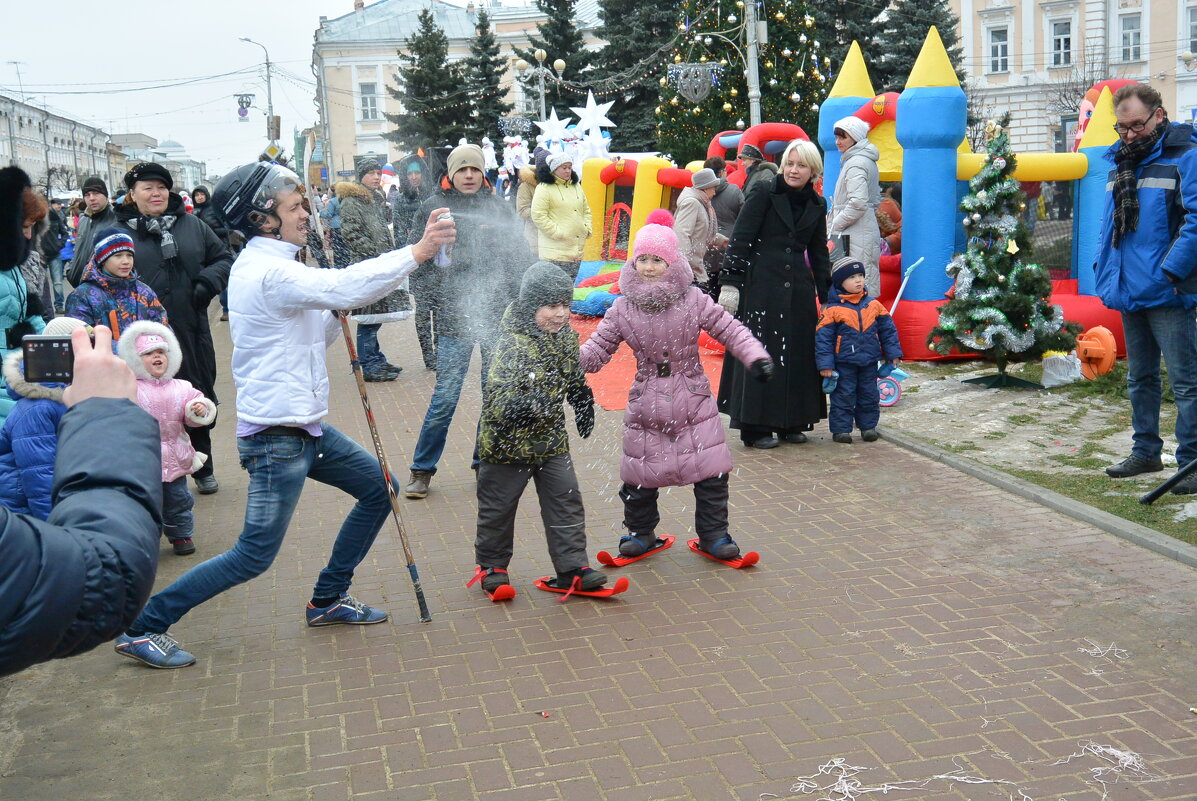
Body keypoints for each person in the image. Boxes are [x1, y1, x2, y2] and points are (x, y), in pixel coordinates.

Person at [111, 162, 455, 669]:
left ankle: (329, 599)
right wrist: (417, 253)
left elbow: (320, 330)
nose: (305, 214)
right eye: (294, 207)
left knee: (379, 488)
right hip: (278, 436)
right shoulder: (269, 270)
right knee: (253, 555)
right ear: (262, 218)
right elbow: (343, 287)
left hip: (303, 428)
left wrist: (332, 311)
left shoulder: (282, 268)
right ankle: (144, 626)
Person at [580, 211, 772, 561]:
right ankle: (640, 533)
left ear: (672, 262)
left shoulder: (693, 300)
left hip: (693, 395)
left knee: (711, 470)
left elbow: (730, 329)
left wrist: (755, 356)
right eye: (643, 260)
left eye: (657, 260)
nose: (650, 267)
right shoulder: (622, 307)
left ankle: (714, 535)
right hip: (647, 398)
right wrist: (567, 361)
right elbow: (596, 349)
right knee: (639, 473)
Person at [471, 261, 606, 597]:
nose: (560, 314)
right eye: (551, 306)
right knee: (498, 508)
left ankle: (572, 567)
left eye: (565, 305)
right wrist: (530, 406)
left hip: (550, 441)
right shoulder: (511, 343)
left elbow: (573, 374)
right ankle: (492, 566)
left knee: (566, 498)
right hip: (505, 446)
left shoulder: (565, 338)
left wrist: (581, 399)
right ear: (531, 306)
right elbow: (499, 400)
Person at [405, 143, 530, 500]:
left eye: (475, 169)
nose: (470, 176)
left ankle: (484, 463)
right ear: (451, 173)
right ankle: (422, 469)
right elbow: (418, 261)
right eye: (462, 170)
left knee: (494, 394)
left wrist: (522, 302)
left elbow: (518, 259)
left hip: (494, 316)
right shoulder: (433, 209)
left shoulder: (497, 207)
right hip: (453, 318)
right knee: (445, 396)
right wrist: (429, 303)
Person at [1093, 83, 1197, 494]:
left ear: (1158, 114)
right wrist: (1105, 270)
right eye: (1122, 127)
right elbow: (1110, 230)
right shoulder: (1121, 162)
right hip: (1128, 288)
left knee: (1187, 382)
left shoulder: (1184, 157)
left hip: (1168, 292)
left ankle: (1190, 463)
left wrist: (1170, 274)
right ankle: (1146, 452)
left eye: (1136, 125)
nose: (1130, 134)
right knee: (1140, 378)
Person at [116, 162, 231, 496]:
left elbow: (223, 258)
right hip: (139, 340)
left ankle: (203, 466)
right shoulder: (116, 229)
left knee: (195, 396)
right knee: (144, 405)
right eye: (148, 188)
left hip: (190, 329)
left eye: (161, 187)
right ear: (132, 194)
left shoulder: (191, 225)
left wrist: (206, 283)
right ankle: (152, 476)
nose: (156, 193)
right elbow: (85, 270)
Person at [717, 138, 830, 449]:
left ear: (813, 171)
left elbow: (819, 253)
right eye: (790, 164)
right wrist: (731, 282)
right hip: (761, 286)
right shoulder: (765, 191)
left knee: (797, 353)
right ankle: (756, 427)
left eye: (801, 165)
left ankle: (792, 420)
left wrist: (829, 297)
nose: (794, 170)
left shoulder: (817, 205)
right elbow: (741, 237)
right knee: (761, 351)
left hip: (798, 291)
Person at [118, 320, 216, 556]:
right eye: (149, 353)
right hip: (142, 460)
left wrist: (198, 408)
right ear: (135, 359)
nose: (157, 357)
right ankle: (147, 538)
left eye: (161, 352)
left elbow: (193, 411)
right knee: (144, 504)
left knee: (179, 500)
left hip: (175, 455)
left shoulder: (182, 387)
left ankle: (181, 534)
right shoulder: (129, 388)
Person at [0, 317, 85, 519]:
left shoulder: (72, 393)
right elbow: (39, 476)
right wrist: (55, 529)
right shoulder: (38, 406)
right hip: (23, 506)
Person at [815, 258, 903, 444]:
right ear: (840, 282)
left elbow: (888, 331)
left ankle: (868, 427)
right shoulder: (832, 310)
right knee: (843, 396)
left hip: (869, 361)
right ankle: (841, 430)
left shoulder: (874, 305)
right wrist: (826, 365)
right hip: (844, 363)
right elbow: (823, 340)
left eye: (861, 276)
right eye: (852, 277)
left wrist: (893, 354)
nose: (858, 280)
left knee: (869, 395)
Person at [337, 159, 406, 382]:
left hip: (379, 265)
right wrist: (375, 255)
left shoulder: (374, 199)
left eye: (378, 173)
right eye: (371, 173)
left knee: (376, 316)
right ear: (361, 176)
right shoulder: (351, 201)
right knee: (368, 317)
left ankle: (376, 358)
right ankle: (368, 365)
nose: (376, 177)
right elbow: (351, 234)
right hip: (367, 267)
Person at [64, 227, 169, 336]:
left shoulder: (144, 292)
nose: (126, 261)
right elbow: (81, 339)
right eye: (118, 256)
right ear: (102, 260)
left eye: (129, 255)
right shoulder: (82, 296)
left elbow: (162, 330)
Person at [1, 187, 49, 424]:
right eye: (24, 227)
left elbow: (30, 317)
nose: (28, 235)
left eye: (32, 227)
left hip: (15, 376)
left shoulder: (11, 266)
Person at [828, 116, 882, 295]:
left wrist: (837, 223)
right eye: (836, 137)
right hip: (859, 231)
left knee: (854, 284)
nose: (837, 142)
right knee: (860, 282)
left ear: (855, 137)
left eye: (842, 137)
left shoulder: (855, 164)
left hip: (854, 234)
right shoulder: (861, 161)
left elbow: (858, 203)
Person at [394, 160, 438, 371]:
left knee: (440, 310)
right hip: (418, 264)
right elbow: (400, 234)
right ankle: (428, 356)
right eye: (410, 173)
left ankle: (440, 351)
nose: (414, 177)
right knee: (423, 311)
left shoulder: (433, 198)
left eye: (417, 172)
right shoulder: (401, 201)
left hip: (438, 263)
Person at [530, 153, 591, 281]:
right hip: (555, 251)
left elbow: (586, 210)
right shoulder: (544, 188)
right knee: (554, 291)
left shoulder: (576, 186)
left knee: (569, 288)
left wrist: (587, 228)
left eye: (570, 167)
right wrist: (557, 233)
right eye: (564, 167)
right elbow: (538, 215)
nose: (568, 171)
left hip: (576, 249)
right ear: (554, 169)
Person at [673, 167, 726, 285]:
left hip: (695, 266)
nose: (715, 192)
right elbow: (681, 233)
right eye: (714, 188)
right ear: (706, 188)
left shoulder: (701, 203)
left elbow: (701, 232)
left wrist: (721, 240)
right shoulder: (692, 203)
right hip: (690, 270)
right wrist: (684, 266)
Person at [65, 176, 118, 287]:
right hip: (79, 284)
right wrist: (71, 270)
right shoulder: (84, 219)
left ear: (105, 195)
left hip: (104, 287)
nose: (91, 198)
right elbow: (78, 249)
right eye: (87, 195)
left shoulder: (116, 219)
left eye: (96, 193)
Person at [41, 198, 70, 313]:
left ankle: (59, 305)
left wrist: (59, 245)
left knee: (57, 282)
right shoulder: (36, 219)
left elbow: (64, 233)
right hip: (40, 255)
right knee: (41, 283)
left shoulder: (55, 217)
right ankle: (44, 307)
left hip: (54, 253)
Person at [516, 161, 540, 255]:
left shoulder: (554, 185)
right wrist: (543, 214)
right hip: (534, 238)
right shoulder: (525, 186)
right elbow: (522, 210)